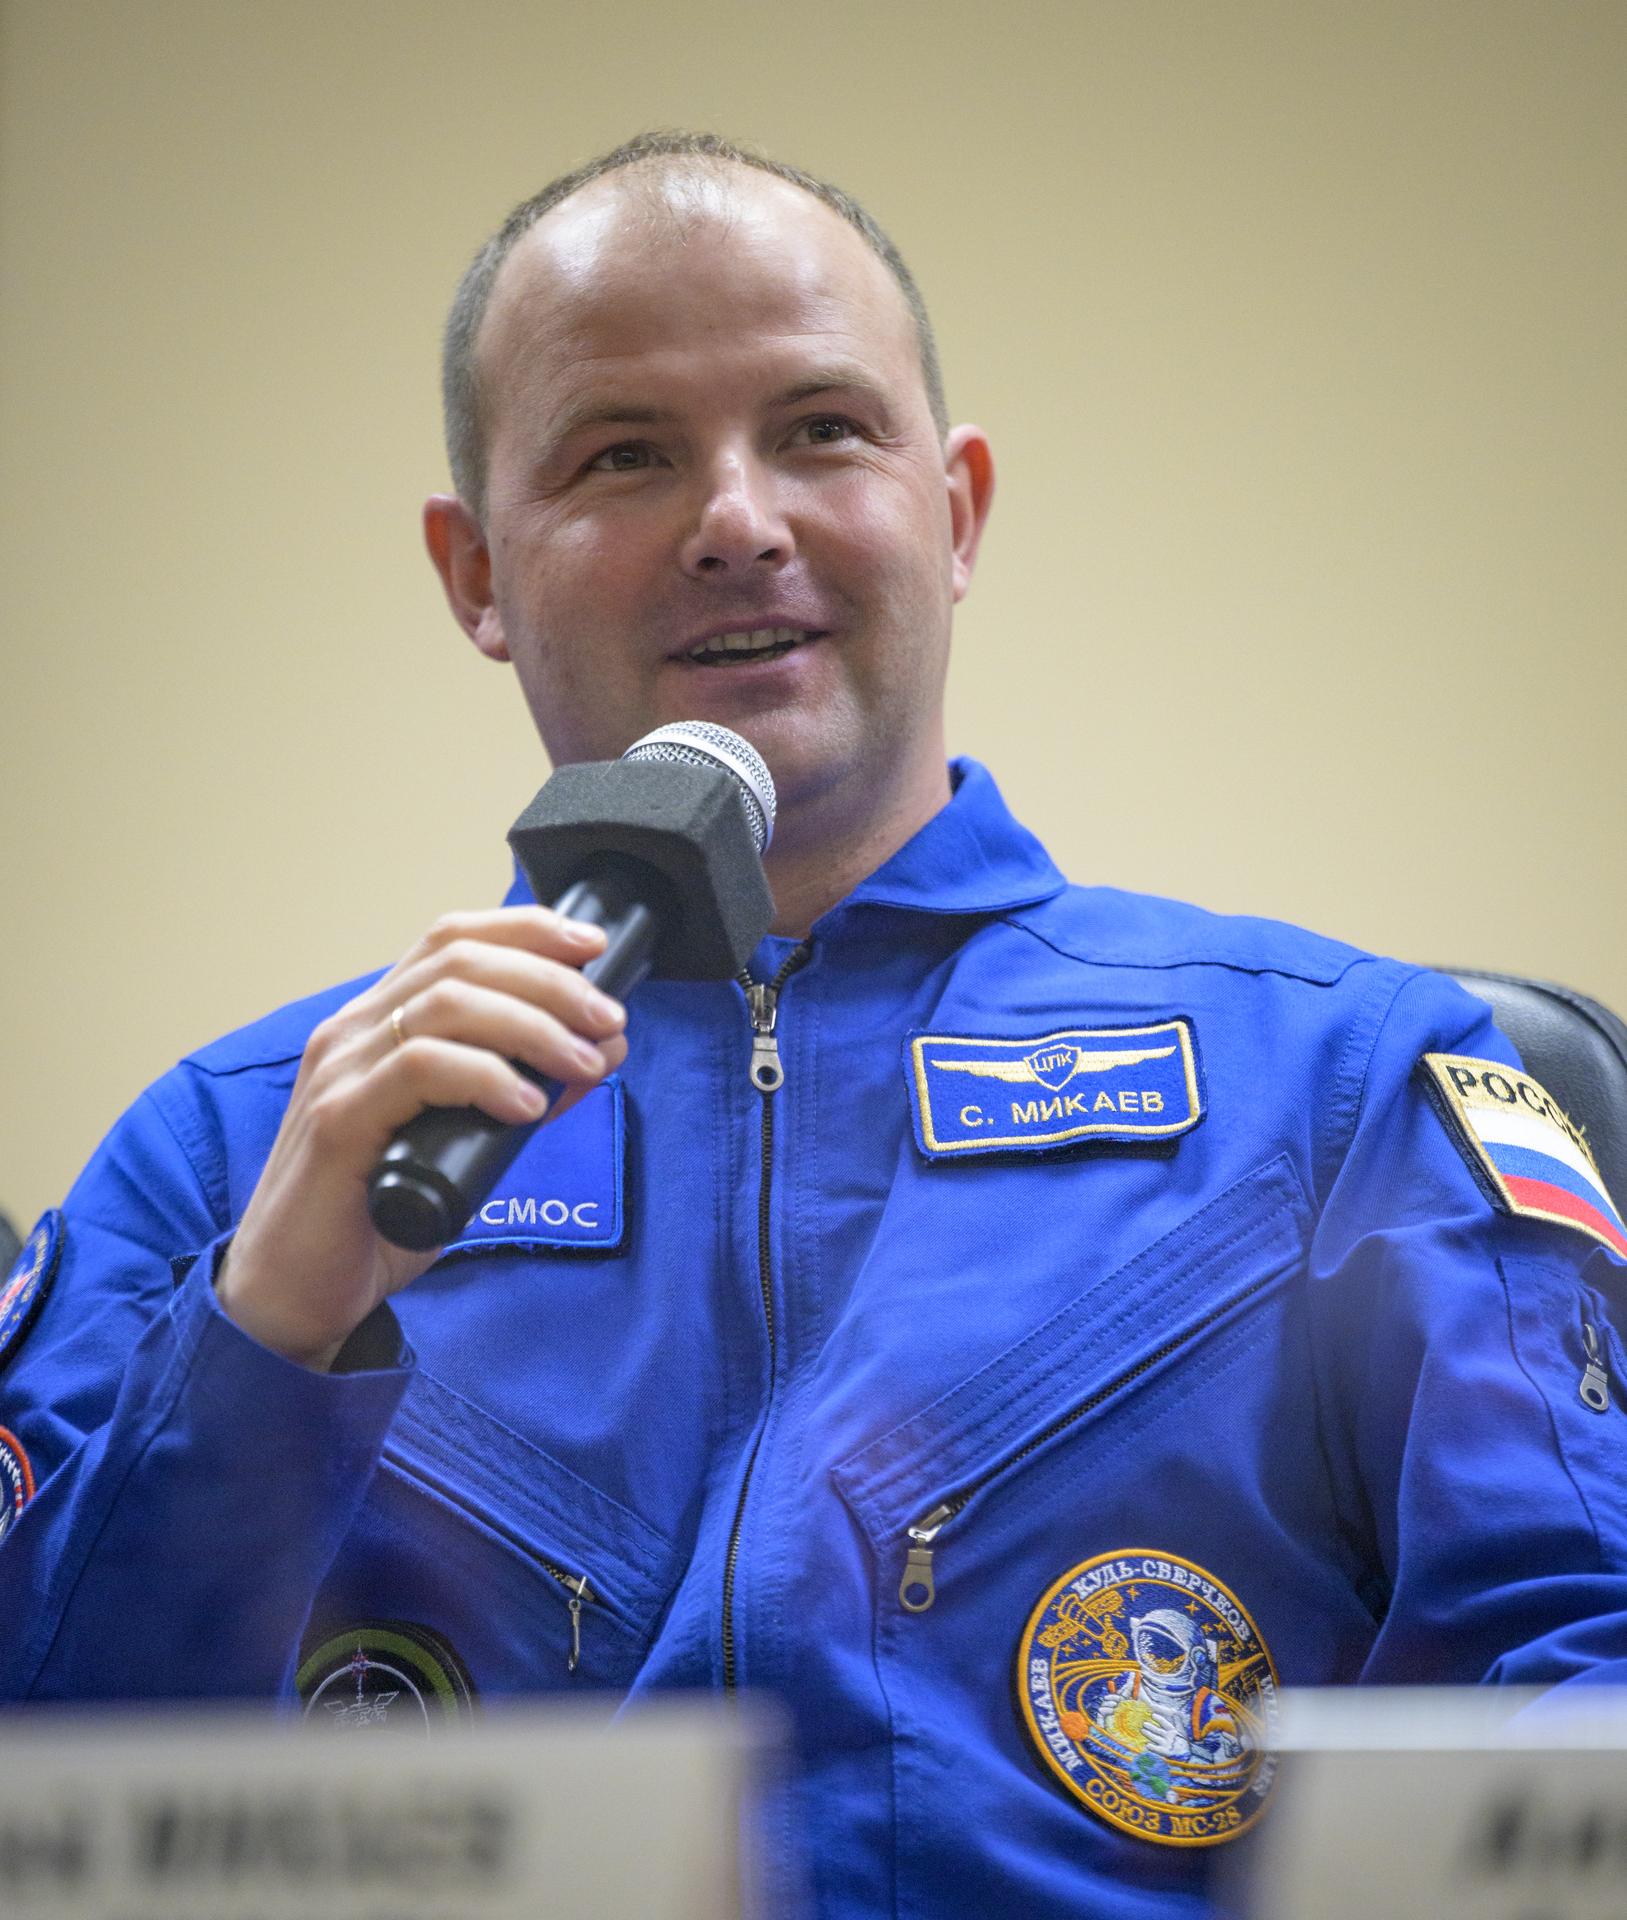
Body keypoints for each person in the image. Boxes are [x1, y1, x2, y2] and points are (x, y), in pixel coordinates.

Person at [3, 130, 1626, 1918]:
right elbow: (52, 1806)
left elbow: (1577, 1728)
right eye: (623, 454)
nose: (736, 520)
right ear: (474, 572)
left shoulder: (1342, 1090)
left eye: (822, 431)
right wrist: (266, 1336)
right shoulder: (234, 1154)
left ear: (956, 511)